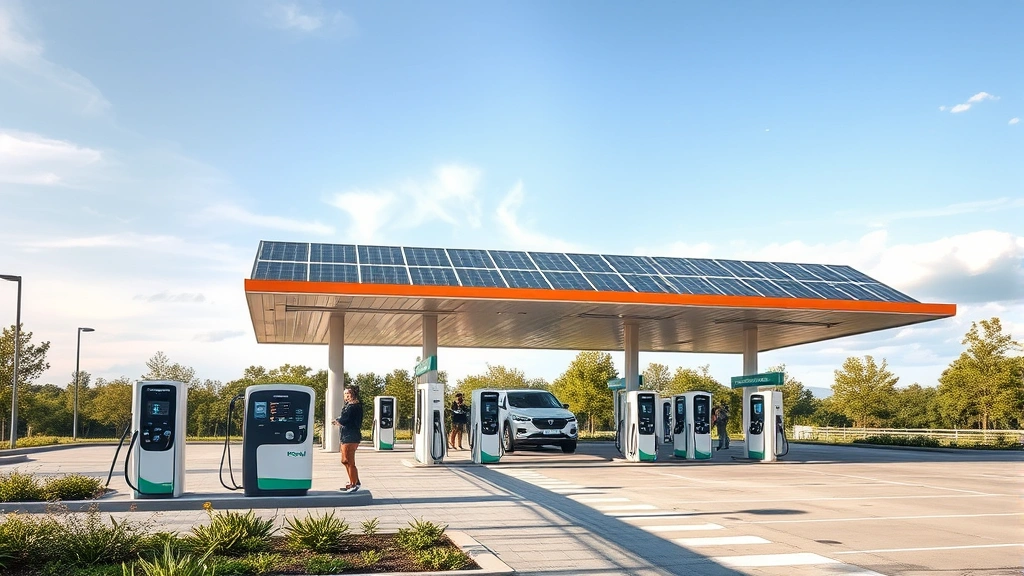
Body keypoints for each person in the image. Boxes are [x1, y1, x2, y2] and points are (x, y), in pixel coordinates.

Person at [332, 385, 363, 492]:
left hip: (351, 436)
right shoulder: (350, 406)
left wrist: (337, 421)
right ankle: (354, 481)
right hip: (346, 436)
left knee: (349, 461)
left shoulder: (353, 407)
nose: (346, 396)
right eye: (345, 394)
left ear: (353, 394)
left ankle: (354, 484)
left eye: (348, 394)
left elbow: (345, 420)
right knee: (344, 460)